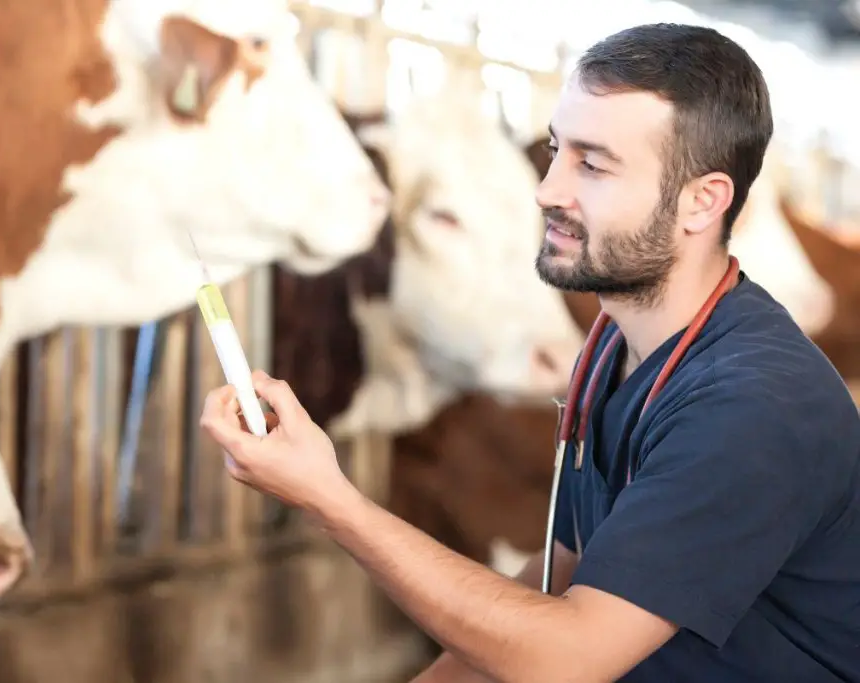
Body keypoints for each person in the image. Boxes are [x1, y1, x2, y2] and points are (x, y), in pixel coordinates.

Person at [200, 22, 860, 683]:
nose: (546, 190)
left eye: (593, 164)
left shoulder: (753, 407)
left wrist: (328, 496)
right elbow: (556, 582)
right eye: (556, 151)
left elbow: (560, 657)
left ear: (701, 201)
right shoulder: (612, 350)